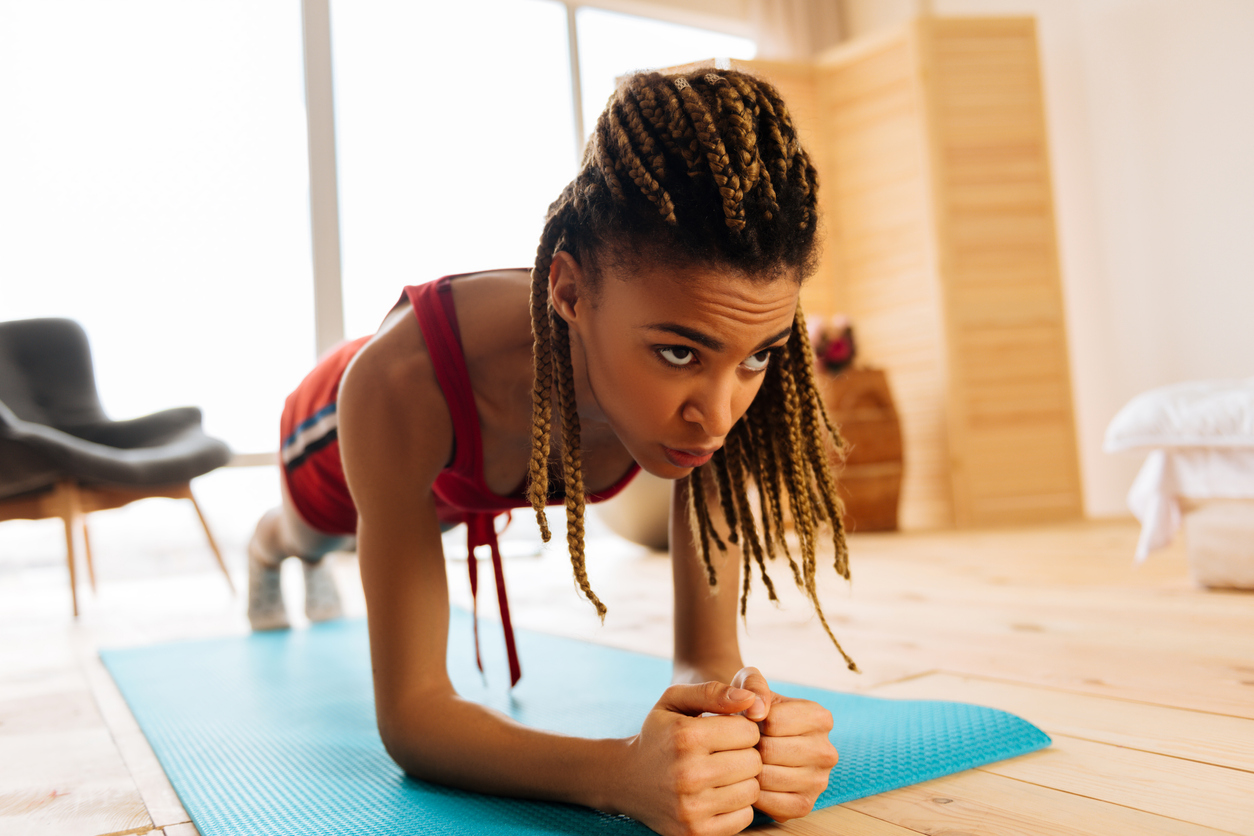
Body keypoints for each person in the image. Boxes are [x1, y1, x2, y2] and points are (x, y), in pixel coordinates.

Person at [247, 68, 857, 836]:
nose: (717, 414)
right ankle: (265, 555)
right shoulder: (397, 383)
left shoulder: (720, 390)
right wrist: (618, 773)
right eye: (677, 355)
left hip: (469, 474)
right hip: (333, 435)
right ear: (568, 293)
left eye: (757, 357)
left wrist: (745, 725)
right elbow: (413, 717)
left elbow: (706, 658)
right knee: (311, 534)